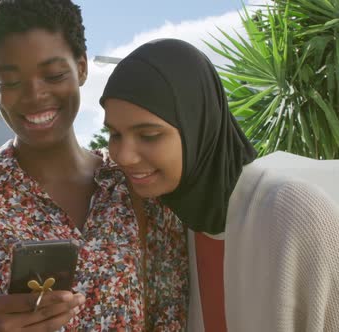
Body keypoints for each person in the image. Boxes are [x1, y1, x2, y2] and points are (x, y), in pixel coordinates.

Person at [0, 1, 190, 331]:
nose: (35, 94)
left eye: (54, 75)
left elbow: (171, 320)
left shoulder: (140, 187)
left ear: (81, 67)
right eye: (11, 82)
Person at [101, 38, 339, 332]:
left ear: (198, 126)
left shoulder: (295, 213)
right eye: (114, 134)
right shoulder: (171, 223)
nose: (124, 156)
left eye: (149, 135)